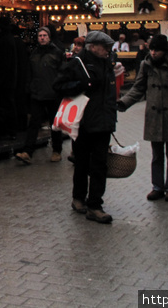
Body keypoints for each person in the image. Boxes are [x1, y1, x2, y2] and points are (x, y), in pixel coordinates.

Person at [54, 30, 124, 224]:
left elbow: (109, 93)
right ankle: (78, 198)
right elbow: (59, 86)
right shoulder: (77, 63)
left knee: (100, 165)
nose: (108, 51)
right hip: (83, 122)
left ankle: (95, 205)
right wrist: (81, 85)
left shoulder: (108, 63)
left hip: (103, 122)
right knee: (82, 162)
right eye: (105, 48)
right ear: (93, 47)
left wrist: (111, 118)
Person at [117, 34, 168, 203]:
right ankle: (157, 187)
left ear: (164, 50)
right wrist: (124, 103)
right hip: (154, 116)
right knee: (156, 155)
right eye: (151, 49)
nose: (153, 53)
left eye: (157, 50)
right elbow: (138, 88)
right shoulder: (145, 65)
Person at [16, 27, 64, 164]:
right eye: (40, 36)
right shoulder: (34, 53)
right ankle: (28, 151)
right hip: (37, 93)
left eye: (44, 35)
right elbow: (29, 72)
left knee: (54, 124)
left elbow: (62, 72)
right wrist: (29, 88)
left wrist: (59, 88)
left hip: (53, 93)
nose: (42, 38)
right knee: (34, 123)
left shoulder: (57, 53)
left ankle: (56, 150)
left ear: (49, 37)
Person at [0, 17, 18, 140]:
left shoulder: (4, 41)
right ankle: (9, 130)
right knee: (7, 104)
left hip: (4, 80)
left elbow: (4, 62)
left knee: (5, 104)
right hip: (7, 79)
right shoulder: (8, 39)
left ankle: (6, 130)